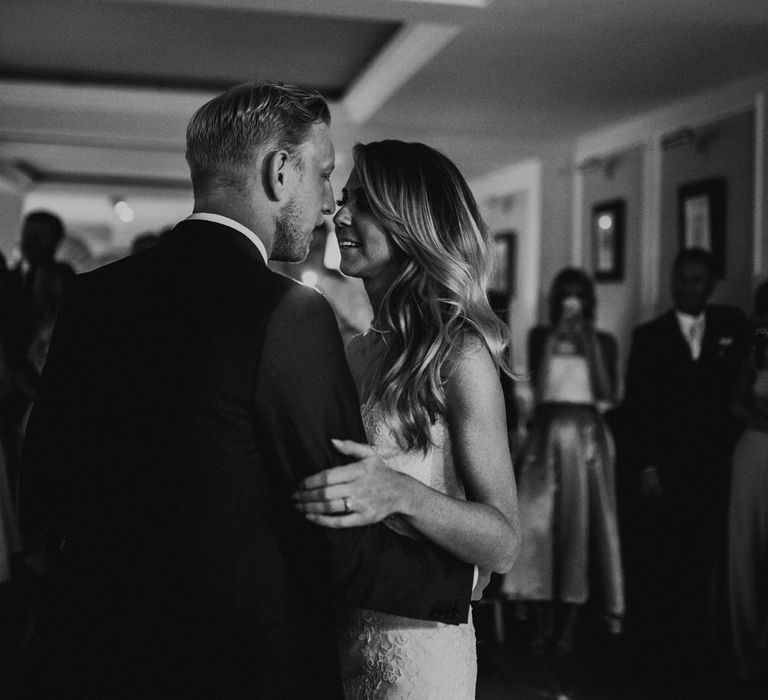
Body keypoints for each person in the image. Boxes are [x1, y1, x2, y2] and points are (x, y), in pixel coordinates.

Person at [18, 82, 477, 699]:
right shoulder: (289, 313)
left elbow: (42, 490)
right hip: (231, 665)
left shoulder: (93, 297)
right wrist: (460, 581)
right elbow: (334, 535)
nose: (327, 206)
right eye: (324, 175)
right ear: (280, 171)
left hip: (87, 652)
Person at [293, 140, 520, 698]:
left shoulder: (459, 354)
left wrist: (400, 493)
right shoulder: (354, 352)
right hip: (345, 632)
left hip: (419, 652)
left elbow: (504, 542)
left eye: (363, 203)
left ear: (411, 224)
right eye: (344, 198)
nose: (338, 214)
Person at [622, 247, 749, 661]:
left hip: (714, 465)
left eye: (696, 279)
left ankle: (698, 643)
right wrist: (647, 465)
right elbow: (637, 409)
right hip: (665, 465)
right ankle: (661, 645)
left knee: (706, 552)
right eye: (680, 278)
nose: (686, 286)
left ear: (710, 285)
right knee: (663, 553)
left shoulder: (732, 327)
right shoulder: (649, 335)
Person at [499, 267, 623, 655]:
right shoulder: (540, 336)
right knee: (538, 527)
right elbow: (537, 386)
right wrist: (556, 338)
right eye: (565, 295)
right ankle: (538, 622)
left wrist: (588, 343)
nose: (572, 302)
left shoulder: (604, 340)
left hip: (587, 435)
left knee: (579, 530)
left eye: (578, 295)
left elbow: (608, 391)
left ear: (587, 301)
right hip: (546, 432)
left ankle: (569, 627)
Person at [727, 279, 768, 684]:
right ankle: (748, 656)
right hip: (755, 453)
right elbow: (735, 403)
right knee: (747, 555)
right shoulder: (757, 350)